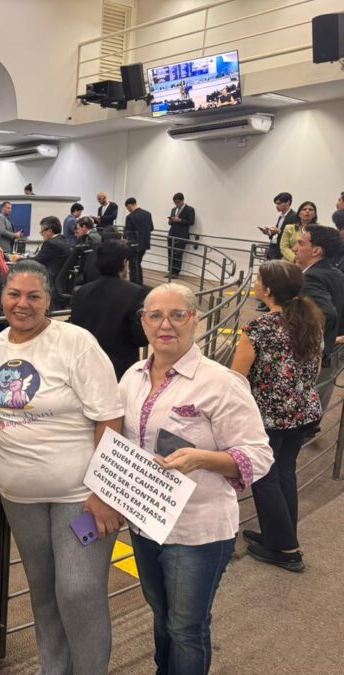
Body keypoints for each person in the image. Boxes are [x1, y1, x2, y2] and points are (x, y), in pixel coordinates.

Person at [118, 283, 273, 675]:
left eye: (177, 315)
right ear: (143, 322)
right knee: (160, 614)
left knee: (187, 627)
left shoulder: (220, 383)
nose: (165, 324)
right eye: (155, 315)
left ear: (196, 320)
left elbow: (259, 455)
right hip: (145, 522)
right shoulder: (132, 376)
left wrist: (205, 458)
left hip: (197, 531)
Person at [0, 259, 123, 675]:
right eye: (14, 294)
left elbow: (109, 416)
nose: (22, 304)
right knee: (43, 592)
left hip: (78, 496)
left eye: (33, 296)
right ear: (2, 297)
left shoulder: (75, 342)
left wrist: (104, 491)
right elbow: (0, 404)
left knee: (79, 591)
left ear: (49, 301)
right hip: (18, 495)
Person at [231, 260, 322, 573]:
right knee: (284, 473)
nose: (256, 283)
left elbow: (237, 376)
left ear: (267, 290)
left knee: (264, 476)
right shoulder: (310, 321)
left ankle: (286, 549)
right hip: (302, 411)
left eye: (258, 279)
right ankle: (278, 535)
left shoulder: (259, 328)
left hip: (268, 417)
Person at [71, 240, 148, 379]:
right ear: (125, 263)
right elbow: (140, 338)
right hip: (120, 370)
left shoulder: (81, 292)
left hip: (85, 366)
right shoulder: (135, 293)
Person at [292, 223, 344, 363]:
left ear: (316, 251)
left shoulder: (310, 277)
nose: (294, 248)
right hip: (332, 354)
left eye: (301, 244)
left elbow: (327, 313)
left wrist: (325, 343)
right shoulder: (335, 272)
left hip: (313, 358)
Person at [30, 216, 70, 288]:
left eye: (42, 231)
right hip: (62, 282)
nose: (42, 234)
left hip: (50, 283)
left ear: (50, 231)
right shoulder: (63, 240)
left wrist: (19, 259)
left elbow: (36, 261)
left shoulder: (50, 243)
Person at [167, 192, 195, 279]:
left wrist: (180, 220)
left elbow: (191, 222)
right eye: (175, 202)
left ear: (182, 200)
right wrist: (171, 220)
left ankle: (176, 272)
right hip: (172, 234)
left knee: (178, 254)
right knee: (170, 253)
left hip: (182, 235)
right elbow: (170, 223)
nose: (176, 204)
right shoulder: (173, 209)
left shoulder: (190, 209)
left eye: (178, 202)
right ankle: (170, 271)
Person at [123, 197, 153, 266]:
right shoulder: (148, 214)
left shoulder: (130, 217)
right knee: (138, 265)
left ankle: (135, 277)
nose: (128, 210)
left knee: (133, 266)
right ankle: (139, 277)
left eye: (127, 208)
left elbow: (127, 233)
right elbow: (151, 228)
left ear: (129, 205)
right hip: (145, 244)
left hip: (134, 245)